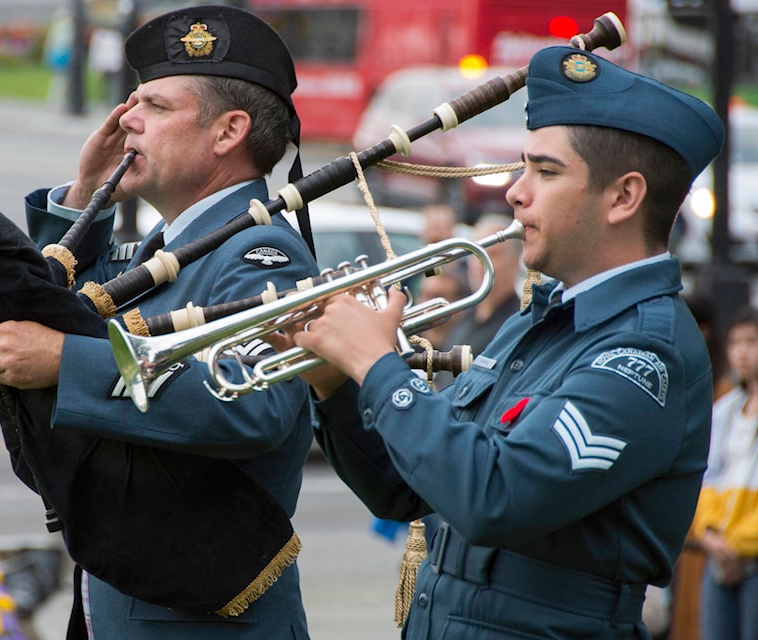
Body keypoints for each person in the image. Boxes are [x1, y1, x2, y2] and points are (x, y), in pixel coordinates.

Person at [283, 45, 725, 639]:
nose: (516, 193)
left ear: (624, 197)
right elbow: (406, 489)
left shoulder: (644, 355)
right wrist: (336, 385)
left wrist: (377, 363)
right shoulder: (539, 321)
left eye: (545, 172)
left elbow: (493, 497)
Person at [0, 5, 318, 639]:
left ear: (228, 132)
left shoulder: (260, 253)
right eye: (134, 103)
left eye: (155, 107)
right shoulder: (172, 245)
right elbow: (63, 310)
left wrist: (65, 363)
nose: (127, 118)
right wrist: (83, 195)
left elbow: (255, 404)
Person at [690, 307, 758, 640]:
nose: (741, 351)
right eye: (735, 342)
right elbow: (709, 476)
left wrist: (740, 542)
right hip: (720, 556)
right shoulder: (726, 408)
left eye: (752, 341)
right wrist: (710, 533)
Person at [440, 212, 523, 357]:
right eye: (475, 253)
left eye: (492, 254)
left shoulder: (519, 324)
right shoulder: (463, 317)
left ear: (515, 262)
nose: (480, 263)